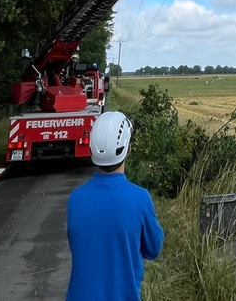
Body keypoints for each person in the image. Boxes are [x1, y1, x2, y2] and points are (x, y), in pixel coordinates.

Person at [65, 111, 163, 301]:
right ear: (128, 149)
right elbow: (154, 249)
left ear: (91, 150)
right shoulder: (140, 198)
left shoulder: (75, 199)